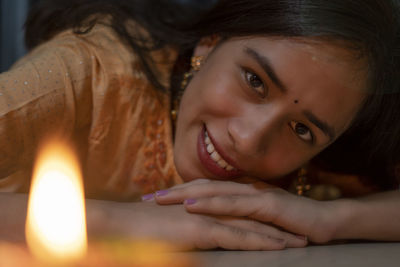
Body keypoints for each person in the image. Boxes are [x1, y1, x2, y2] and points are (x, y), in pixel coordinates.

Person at [0, 0, 399, 250]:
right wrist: (122, 221)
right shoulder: (92, 74)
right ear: (209, 45)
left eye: (302, 131)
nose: (246, 140)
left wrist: (329, 219)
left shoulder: (312, 167)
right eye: (255, 81)